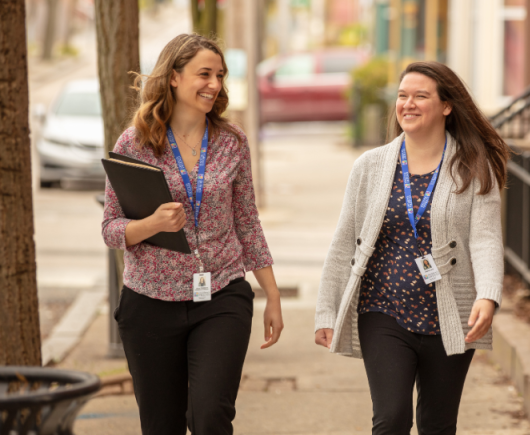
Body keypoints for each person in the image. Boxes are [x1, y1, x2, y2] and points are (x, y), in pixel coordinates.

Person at [102, 34, 283, 435]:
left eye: (220, 75)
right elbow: (111, 229)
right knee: (161, 425)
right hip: (150, 300)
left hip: (221, 294)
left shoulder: (232, 141)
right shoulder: (135, 143)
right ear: (173, 77)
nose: (214, 84)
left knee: (210, 416)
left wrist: (271, 293)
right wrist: (153, 225)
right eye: (204, 74)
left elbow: (247, 221)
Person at [314, 61, 507, 434]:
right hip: (383, 308)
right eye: (403, 96)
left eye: (421, 96)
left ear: (446, 106)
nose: (408, 104)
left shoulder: (473, 167)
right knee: (391, 418)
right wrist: (326, 310)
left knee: (437, 423)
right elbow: (343, 242)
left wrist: (488, 295)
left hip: (450, 313)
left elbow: (484, 238)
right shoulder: (369, 166)